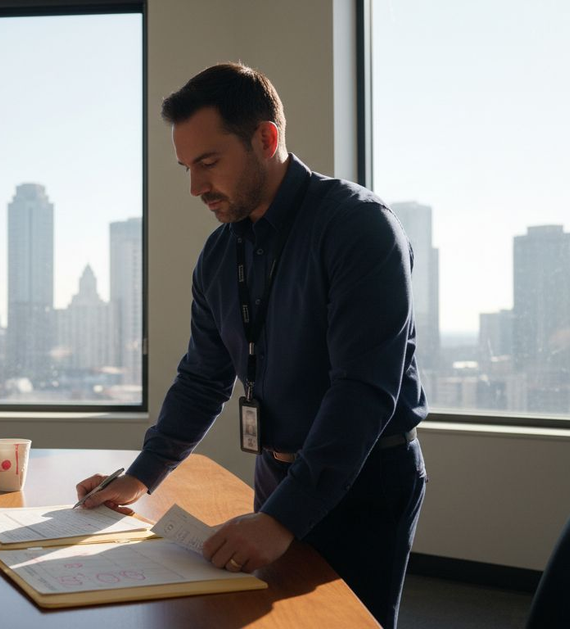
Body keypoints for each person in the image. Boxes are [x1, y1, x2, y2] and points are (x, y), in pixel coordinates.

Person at [75, 62, 428, 629]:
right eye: (187, 167)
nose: (194, 187)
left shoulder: (359, 227)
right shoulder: (218, 256)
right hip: (276, 473)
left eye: (209, 162)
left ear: (266, 138)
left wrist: (281, 519)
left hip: (364, 479)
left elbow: (363, 391)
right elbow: (201, 379)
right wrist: (141, 475)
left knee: (342, 623)